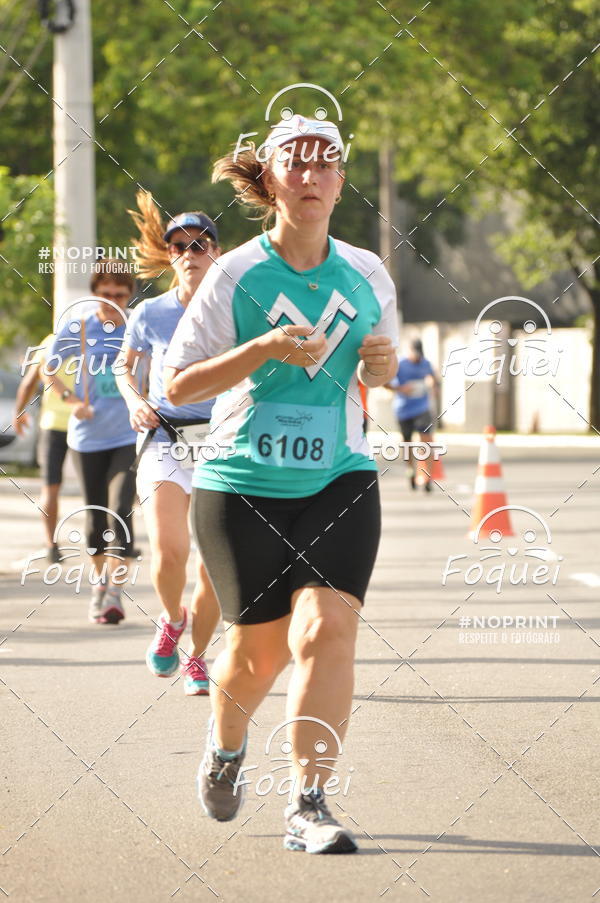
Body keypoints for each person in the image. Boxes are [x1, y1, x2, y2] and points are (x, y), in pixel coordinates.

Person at [163, 114, 399, 853]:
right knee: (255, 655)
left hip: (340, 475)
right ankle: (226, 745)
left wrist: (380, 370)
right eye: (295, 163)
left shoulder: (367, 272)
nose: (311, 175)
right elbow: (178, 383)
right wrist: (261, 348)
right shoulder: (235, 273)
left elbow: (372, 365)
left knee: (328, 629)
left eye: (326, 163)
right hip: (242, 483)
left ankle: (309, 801)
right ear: (271, 180)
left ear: (339, 179)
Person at [115, 192, 221, 696]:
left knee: (213, 562)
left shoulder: (237, 308)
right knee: (170, 551)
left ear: (216, 253)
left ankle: (198, 658)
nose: (189, 253)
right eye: (178, 246)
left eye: (200, 245)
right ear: (169, 254)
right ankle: (171, 617)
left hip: (223, 441)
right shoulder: (150, 312)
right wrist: (136, 400)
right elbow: (123, 365)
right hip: (165, 437)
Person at [44, 260, 138, 624]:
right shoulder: (80, 327)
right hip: (87, 438)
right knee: (96, 518)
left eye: (120, 294)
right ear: (94, 293)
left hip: (129, 434)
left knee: (121, 509)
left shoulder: (136, 326)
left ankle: (115, 592)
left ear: (129, 295)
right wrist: (71, 403)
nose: (112, 300)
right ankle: (100, 585)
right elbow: (48, 369)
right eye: (106, 294)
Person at [12, 335, 74, 562]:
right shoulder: (96, 340)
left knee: (50, 488)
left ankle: (51, 545)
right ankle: (104, 540)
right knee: (95, 485)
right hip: (86, 424)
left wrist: (19, 412)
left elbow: (29, 382)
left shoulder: (50, 342)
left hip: (53, 425)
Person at [388, 338, 439, 491]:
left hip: (422, 407)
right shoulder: (400, 364)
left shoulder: (426, 363)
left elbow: (433, 379)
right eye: (415, 354)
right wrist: (401, 389)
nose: (417, 358)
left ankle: (428, 476)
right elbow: (387, 383)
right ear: (409, 351)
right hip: (403, 409)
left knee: (426, 440)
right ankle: (410, 470)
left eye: (419, 355)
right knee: (407, 442)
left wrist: (433, 387)